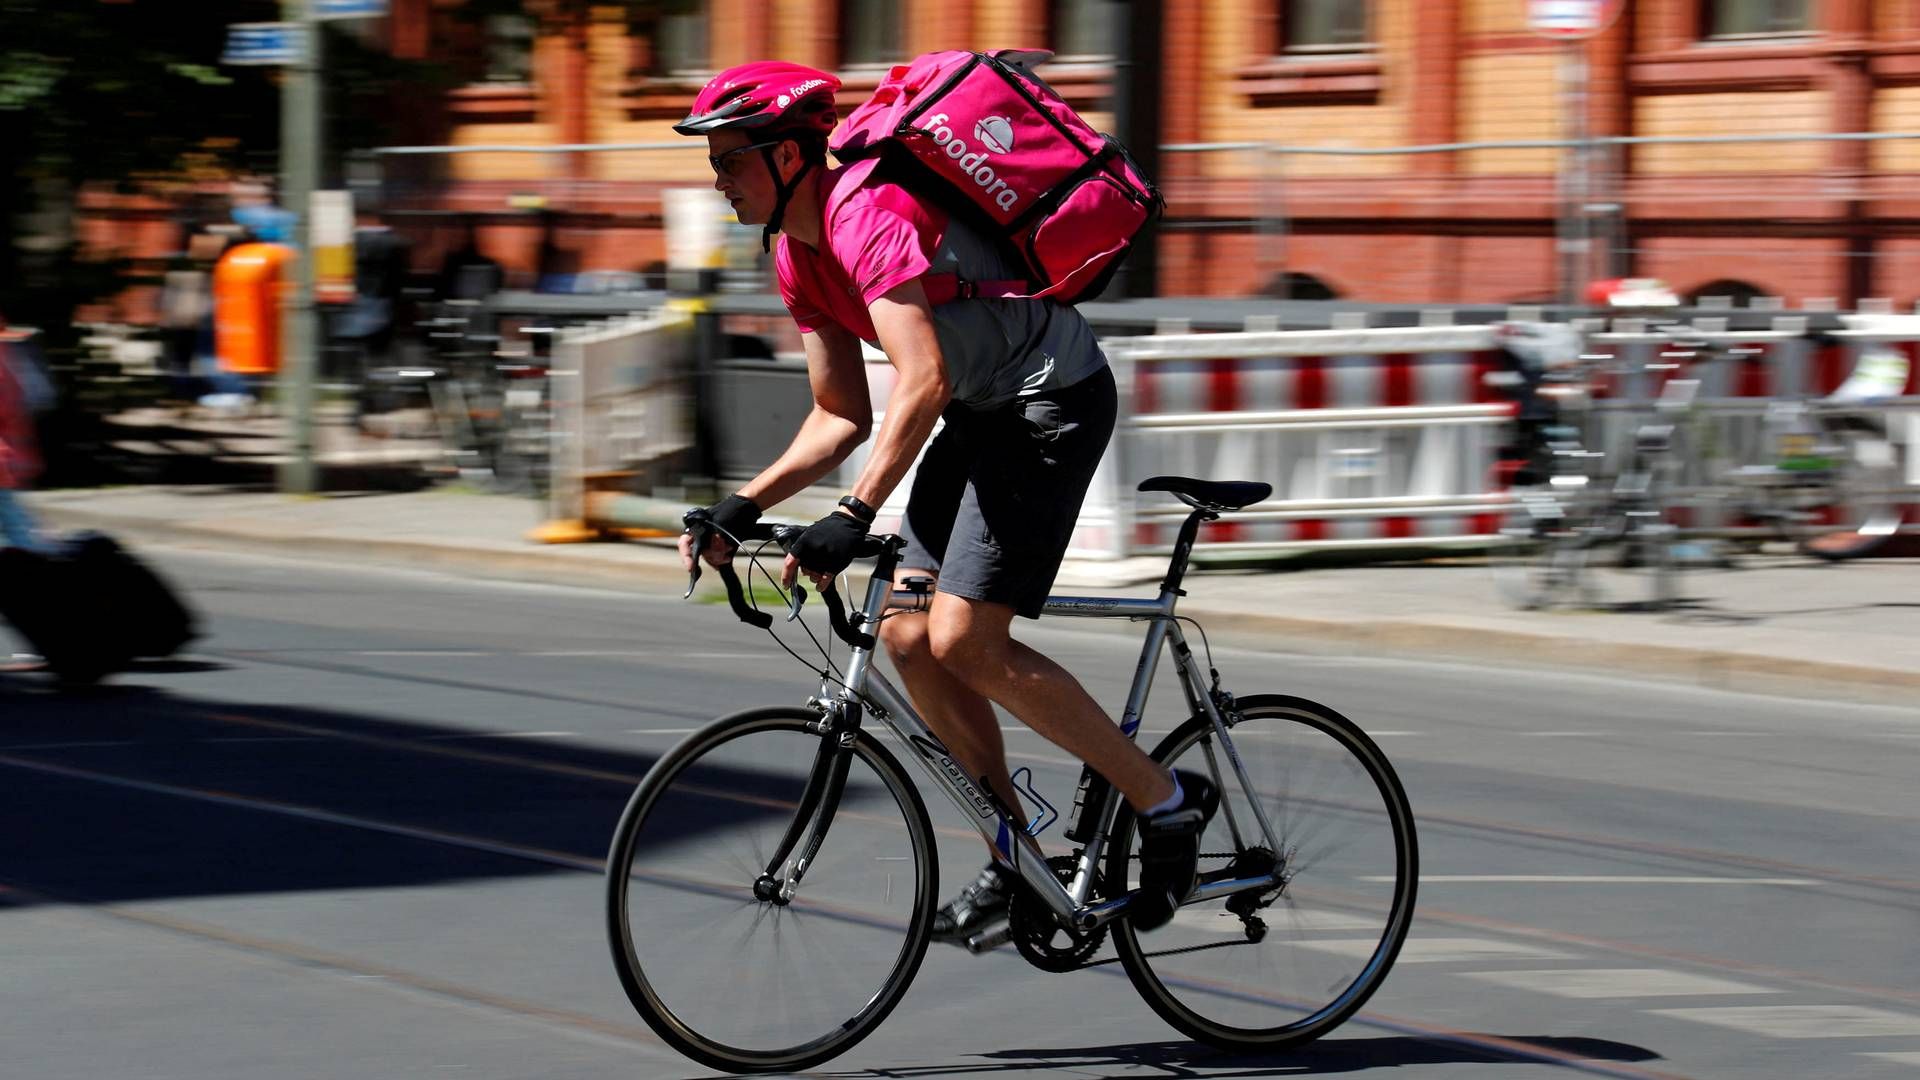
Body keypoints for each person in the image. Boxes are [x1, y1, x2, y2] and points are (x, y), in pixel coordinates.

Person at [672, 62, 1217, 944]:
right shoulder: (793, 253)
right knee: (903, 635)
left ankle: (1167, 800)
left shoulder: (865, 215)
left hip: (1049, 400)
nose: (719, 181)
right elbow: (840, 412)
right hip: (973, 410)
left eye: (730, 161)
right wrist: (740, 505)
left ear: (784, 158)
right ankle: (1019, 855)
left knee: (965, 635)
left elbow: (918, 377)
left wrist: (852, 516)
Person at [0, 317, 50, 552]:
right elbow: (38, 398)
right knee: (19, 530)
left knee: (20, 535)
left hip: (5, 462)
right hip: (10, 461)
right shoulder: (9, 354)